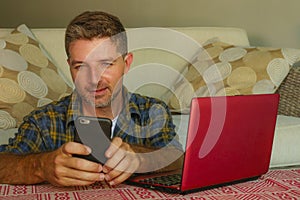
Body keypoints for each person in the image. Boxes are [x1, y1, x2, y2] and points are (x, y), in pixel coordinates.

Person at [0, 11, 183, 187]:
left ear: (126, 64)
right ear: (70, 66)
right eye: (81, 66)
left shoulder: (152, 111)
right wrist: (40, 167)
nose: (94, 79)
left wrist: (140, 159)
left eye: (106, 64)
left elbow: (177, 158)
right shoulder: (43, 121)